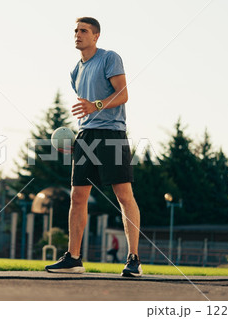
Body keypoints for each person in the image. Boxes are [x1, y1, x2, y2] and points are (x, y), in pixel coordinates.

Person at [45, 17, 142, 277]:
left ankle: (133, 259)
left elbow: (123, 94)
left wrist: (96, 105)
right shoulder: (75, 71)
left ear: (96, 36)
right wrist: (73, 141)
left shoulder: (110, 58)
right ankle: (73, 258)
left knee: (123, 195)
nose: (78, 34)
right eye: (76, 30)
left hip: (112, 134)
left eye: (84, 31)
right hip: (85, 135)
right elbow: (84, 110)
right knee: (77, 197)